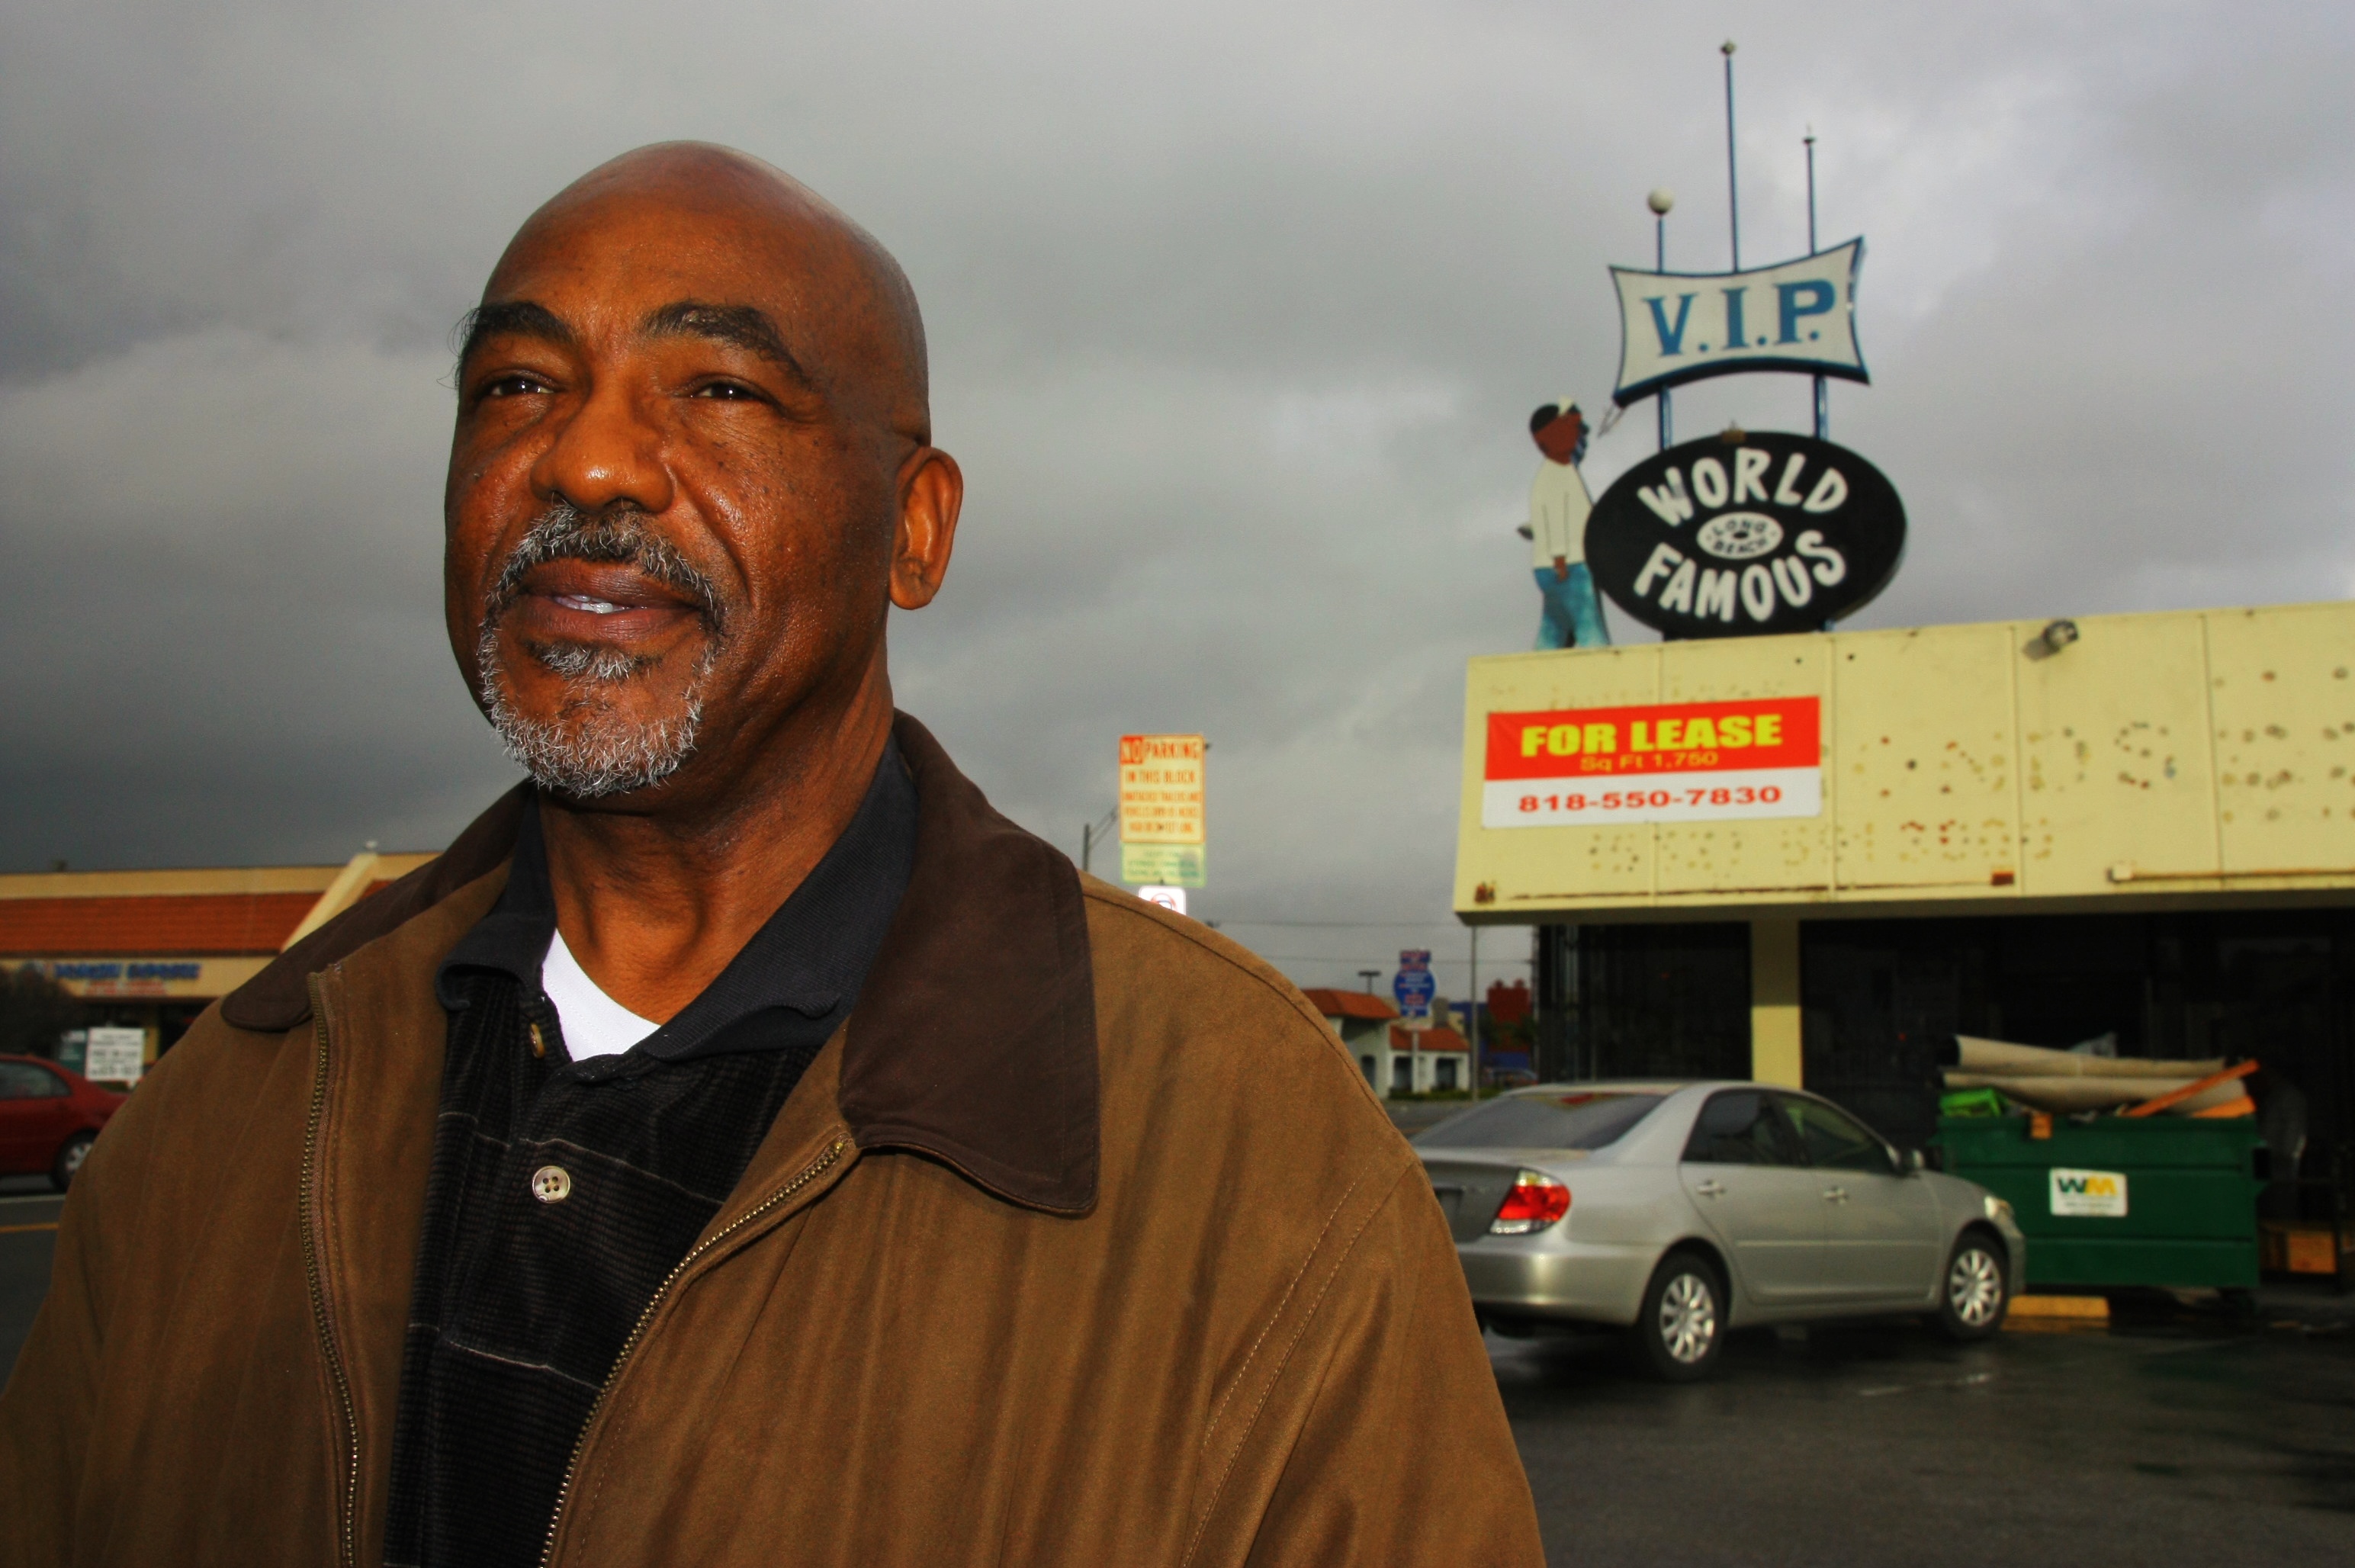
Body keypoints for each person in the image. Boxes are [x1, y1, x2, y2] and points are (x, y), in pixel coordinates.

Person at [0, 145, 1541, 1566]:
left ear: (914, 529)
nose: (586, 461)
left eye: (719, 389)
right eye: (518, 383)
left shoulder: (1252, 1152)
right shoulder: (223, 1116)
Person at [1526, 400, 1610, 650]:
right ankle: (1604, 664)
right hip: (1567, 565)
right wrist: (1560, 560)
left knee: (1554, 626)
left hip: (1558, 565)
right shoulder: (1555, 475)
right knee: (1587, 623)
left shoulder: (1562, 471)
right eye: (1571, 428)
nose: (1577, 435)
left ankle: (1538, 666)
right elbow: (1555, 518)